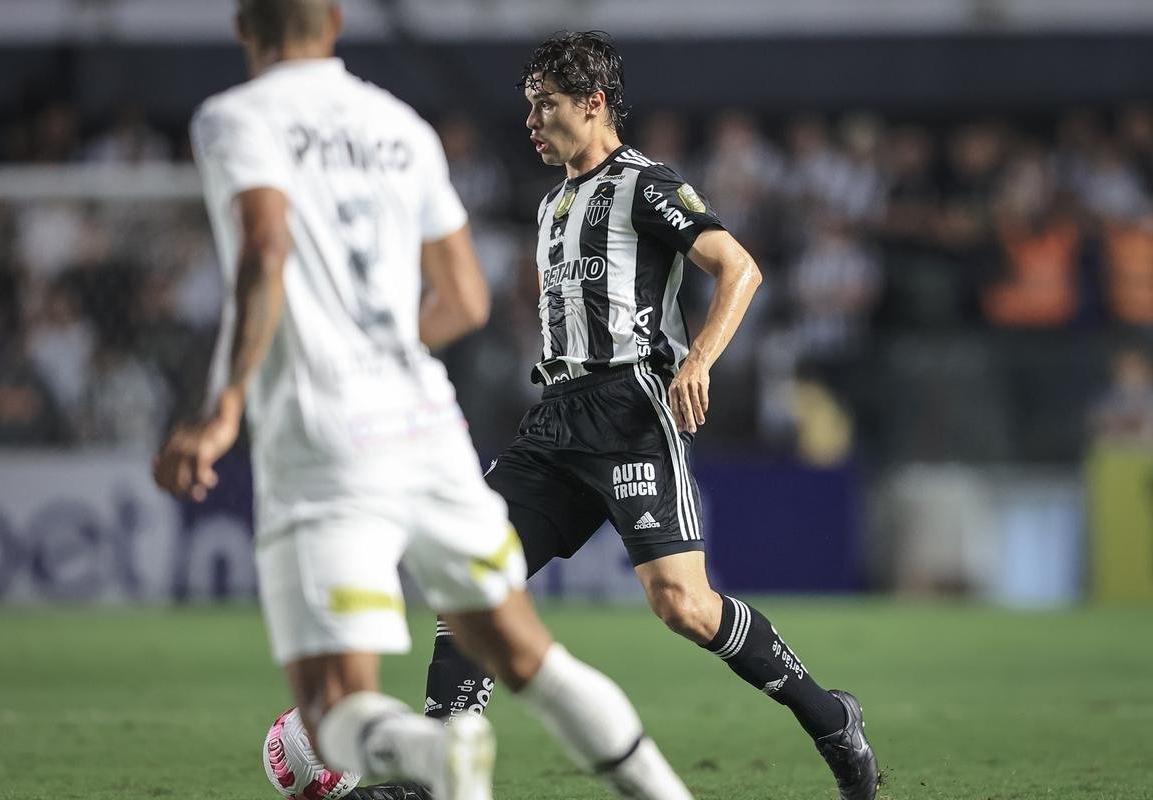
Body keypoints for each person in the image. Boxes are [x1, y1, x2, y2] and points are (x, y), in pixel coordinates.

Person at [151, 4, 695, 800]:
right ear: (335, 20)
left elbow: (265, 247)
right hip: (426, 421)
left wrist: (225, 402)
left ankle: (436, 755)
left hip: (323, 430)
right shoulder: (398, 126)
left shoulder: (234, 120)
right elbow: (466, 300)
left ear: (243, 26)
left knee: (332, 702)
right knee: (527, 656)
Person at [418, 31, 880, 800]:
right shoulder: (553, 202)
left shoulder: (643, 183)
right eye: (529, 104)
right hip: (556, 416)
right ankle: (434, 768)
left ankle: (829, 716)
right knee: (469, 573)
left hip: (630, 408)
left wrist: (698, 358)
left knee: (683, 605)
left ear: (593, 104)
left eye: (547, 104)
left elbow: (740, 267)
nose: (531, 119)